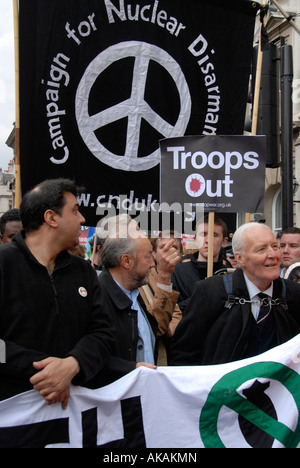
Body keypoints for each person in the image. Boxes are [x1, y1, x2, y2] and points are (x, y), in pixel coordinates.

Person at [0, 179, 114, 408]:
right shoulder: (4, 263)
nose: (83, 219)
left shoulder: (83, 271)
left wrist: (74, 364)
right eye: (75, 211)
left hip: (74, 416)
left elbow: (104, 334)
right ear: (51, 218)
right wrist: (47, 370)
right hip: (13, 416)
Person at [170, 222, 300, 366]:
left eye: (275, 246)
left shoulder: (294, 294)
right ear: (240, 258)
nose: (273, 254)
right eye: (261, 249)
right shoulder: (210, 292)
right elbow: (184, 354)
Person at [96, 233, 159, 387]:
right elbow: (91, 357)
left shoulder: (136, 293)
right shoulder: (97, 299)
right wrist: (130, 369)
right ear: (126, 261)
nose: (152, 264)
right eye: (148, 257)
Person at [139, 231, 182, 364]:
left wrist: (170, 329)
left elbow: (176, 312)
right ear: (154, 253)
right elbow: (157, 326)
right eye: (163, 247)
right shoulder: (143, 276)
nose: (169, 252)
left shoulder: (155, 274)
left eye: (174, 247)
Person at [171, 214, 228, 313]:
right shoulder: (178, 272)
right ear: (195, 239)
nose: (208, 240)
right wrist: (202, 295)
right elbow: (172, 311)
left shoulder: (230, 275)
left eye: (214, 235)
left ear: (224, 241)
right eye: (203, 234)